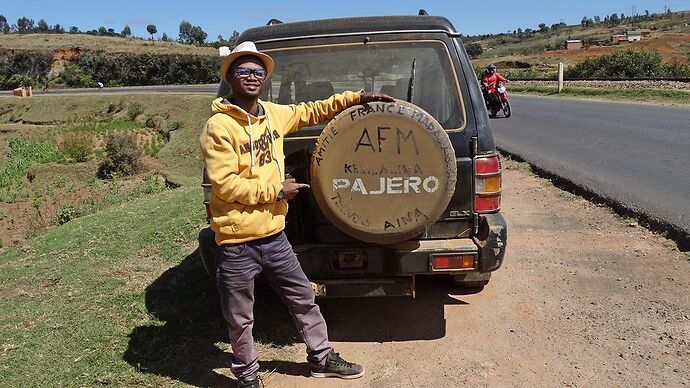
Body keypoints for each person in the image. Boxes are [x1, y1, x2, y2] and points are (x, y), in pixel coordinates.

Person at [199, 41, 394, 388]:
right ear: (230, 77)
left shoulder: (273, 114)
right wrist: (275, 191)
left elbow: (312, 110)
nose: (252, 76)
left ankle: (322, 359)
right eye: (243, 70)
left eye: (258, 71)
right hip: (236, 243)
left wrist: (357, 98)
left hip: (275, 237)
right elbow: (224, 186)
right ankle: (247, 375)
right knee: (240, 318)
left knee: (304, 299)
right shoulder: (218, 127)